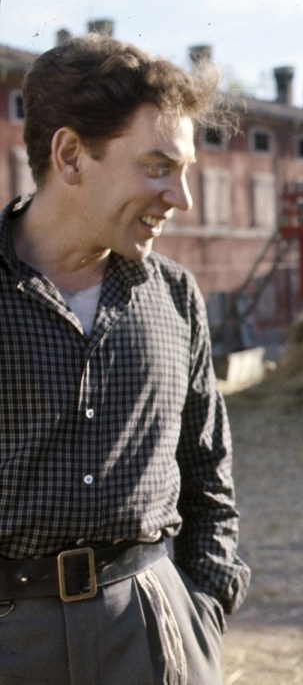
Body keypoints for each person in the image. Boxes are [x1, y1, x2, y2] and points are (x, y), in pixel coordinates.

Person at [0, 35, 250, 683]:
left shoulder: (176, 296)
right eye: (159, 167)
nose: (182, 198)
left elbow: (208, 472)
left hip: (154, 633)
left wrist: (203, 607)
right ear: (70, 155)